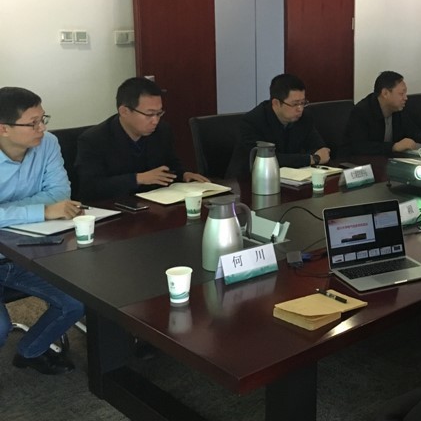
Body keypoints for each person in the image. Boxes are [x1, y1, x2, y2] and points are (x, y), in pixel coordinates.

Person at [0, 87, 85, 375]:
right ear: (3, 128)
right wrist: (42, 210)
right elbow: (52, 205)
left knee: (77, 301)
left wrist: (6, 211)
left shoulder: (47, 143)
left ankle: (30, 351)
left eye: (43, 119)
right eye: (33, 123)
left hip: (28, 252)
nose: (42, 128)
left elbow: (60, 194)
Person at [76, 77, 209, 202]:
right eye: (149, 114)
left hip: (156, 205)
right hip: (117, 208)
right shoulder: (94, 140)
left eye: (159, 113)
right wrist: (137, 179)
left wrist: (183, 175)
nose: (155, 120)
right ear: (124, 111)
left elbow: (171, 165)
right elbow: (90, 188)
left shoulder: (162, 130)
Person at [227, 74, 330, 177]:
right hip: (248, 180)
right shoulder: (252, 122)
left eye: (303, 103)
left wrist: (309, 157)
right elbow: (265, 160)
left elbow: (321, 150)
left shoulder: (304, 117)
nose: (300, 109)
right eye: (295, 104)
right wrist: (311, 159)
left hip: (292, 178)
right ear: (276, 103)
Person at [345, 71, 421, 156]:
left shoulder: (398, 109)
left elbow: (411, 130)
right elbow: (360, 147)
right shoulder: (361, 112)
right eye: (401, 94)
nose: (405, 98)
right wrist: (393, 147)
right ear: (385, 93)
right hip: (365, 162)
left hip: (390, 160)